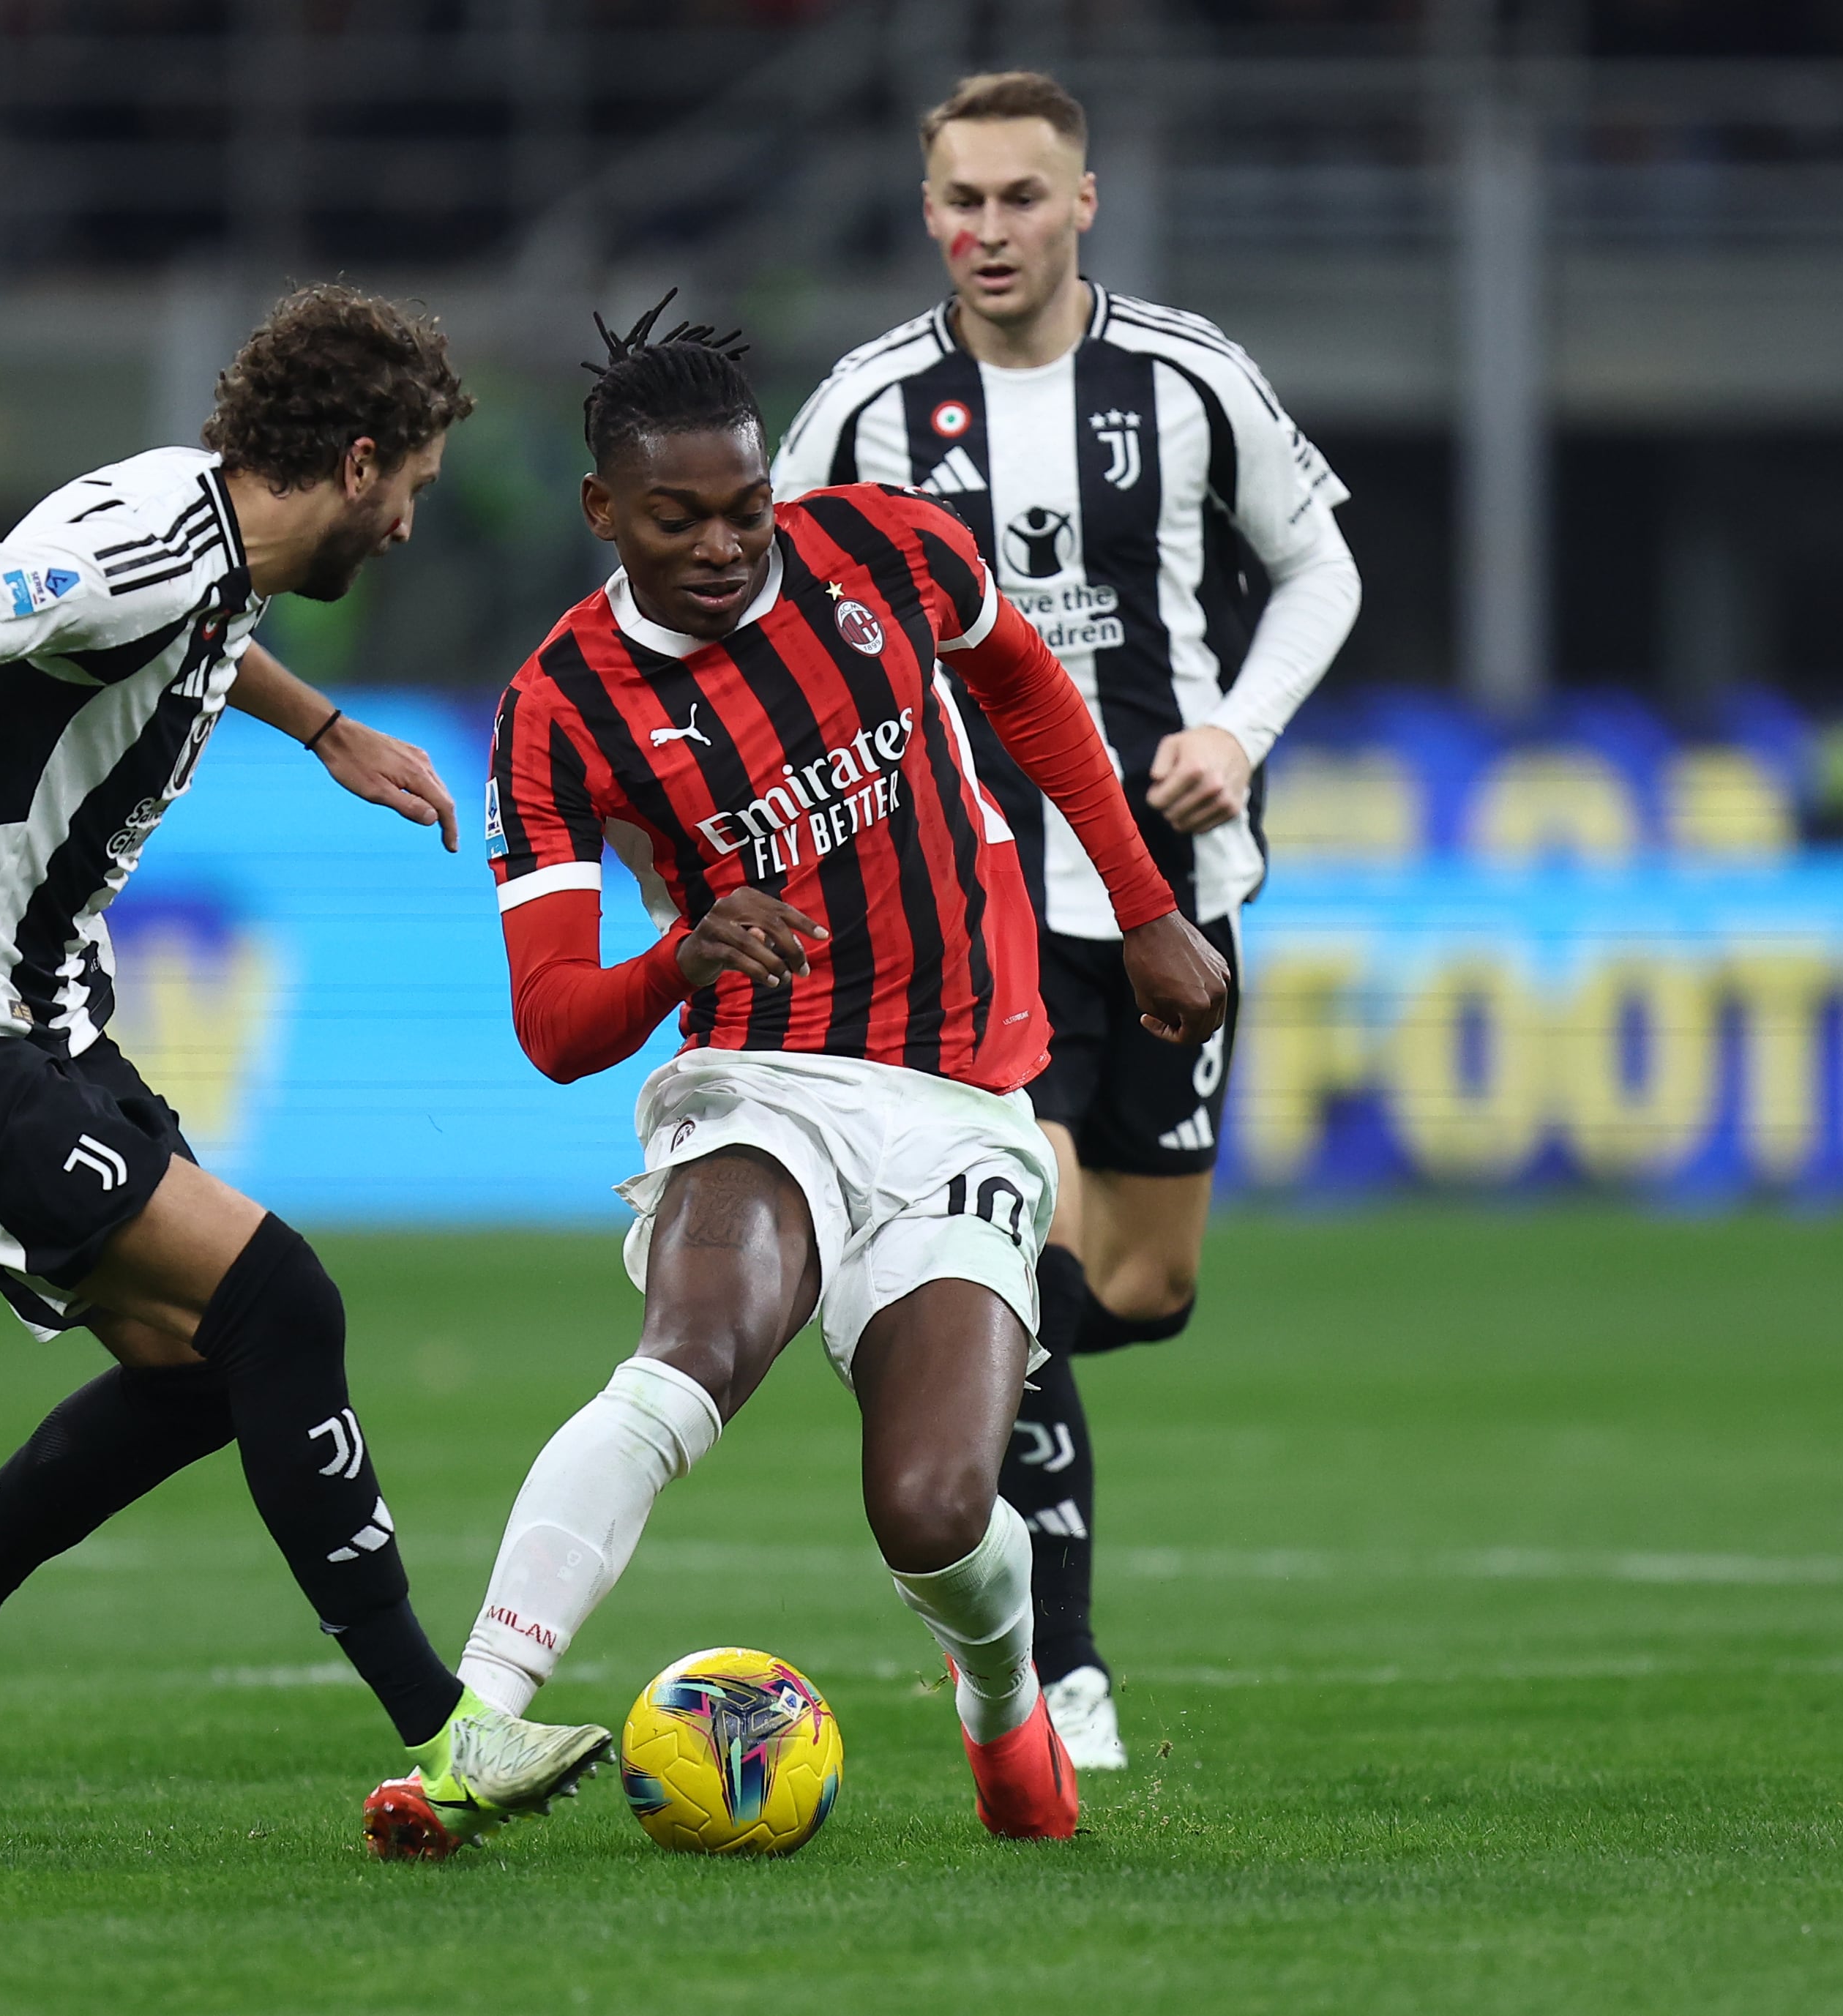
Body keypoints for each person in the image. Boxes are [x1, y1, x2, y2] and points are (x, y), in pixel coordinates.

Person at [0, 283, 609, 1862]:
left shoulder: (209, 534)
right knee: (280, 1300)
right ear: (357, 462)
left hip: (37, 1022)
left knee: (207, 1365)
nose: (411, 525)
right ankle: (450, 1732)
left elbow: (199, 635)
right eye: (414, 489)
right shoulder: (143, 549)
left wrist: (325, 731)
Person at [453, 298, 1228, 1842]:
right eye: (677, 518)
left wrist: (1144, 908)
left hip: (963, 1094)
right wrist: (680, 961)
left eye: (745, 507)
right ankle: (473, 1721)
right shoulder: (558, 710)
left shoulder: (882, 549)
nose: (725, 545)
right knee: (692, 1351)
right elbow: (552, 1026)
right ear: (602, 510)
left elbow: (1027, 690)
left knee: (932, 1514)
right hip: (762, 1079)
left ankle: (1003, 1702)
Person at [770, 70, 1363, 1769]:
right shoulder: (864, 409)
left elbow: (1318, 568)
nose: (989, 229)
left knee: (1144, 1286)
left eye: (1020, 197)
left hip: (1169, 892)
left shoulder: (1187, 378)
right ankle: (1062, 1671)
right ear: (926, 211)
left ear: (1082, 203)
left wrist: (1233, 731)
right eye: (960, 200)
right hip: (971, 910)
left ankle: (932, 1341)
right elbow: (765, 598)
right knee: (1021, 1248)